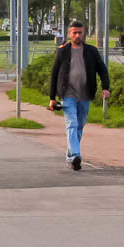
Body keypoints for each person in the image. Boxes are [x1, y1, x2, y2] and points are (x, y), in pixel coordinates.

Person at [47, 19, 110, 171]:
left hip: (85, 94)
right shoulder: (63, 51)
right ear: (69, 34)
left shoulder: (92, 51)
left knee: (80, 126)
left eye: (80, 33)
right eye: (74, 33)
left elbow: (102, 70)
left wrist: (105, 88)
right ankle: (75, 155)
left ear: (84, 34)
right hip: (67, 94)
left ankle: (71, 156)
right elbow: (54, 74)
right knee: (72, 124)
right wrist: (51, 98)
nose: (77, 35)